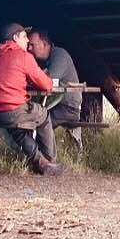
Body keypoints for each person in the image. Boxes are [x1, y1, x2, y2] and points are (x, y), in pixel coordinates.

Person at [0, 22, 62, 175]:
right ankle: (50, 161)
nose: (27, 41)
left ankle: (40, 161)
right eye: (24, 37)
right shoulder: (23, 56)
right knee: (44, 115)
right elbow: (46, 85)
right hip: (11, 110)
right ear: (15, 38)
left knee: (18, 130)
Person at [26, 27, 81, 161]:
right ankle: (34, 157)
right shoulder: (43, 60)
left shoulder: (59, 56)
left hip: (67, 107)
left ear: (44, 44)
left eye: (32, 45)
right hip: (52, 104)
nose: (29, 48)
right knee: (30, 118)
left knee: (40, 122)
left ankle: (45, 160)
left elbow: (48, 81)